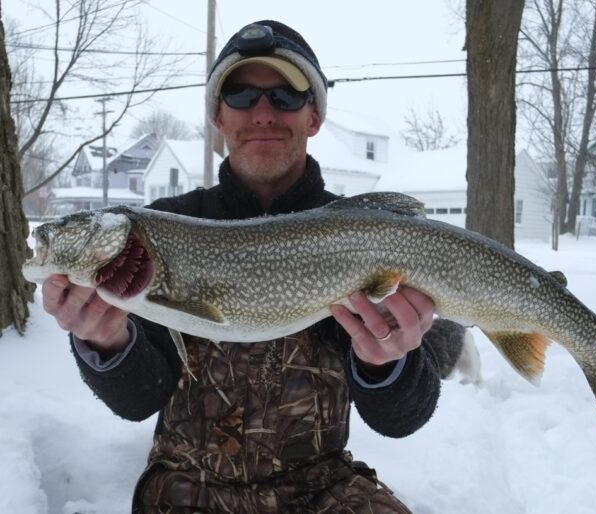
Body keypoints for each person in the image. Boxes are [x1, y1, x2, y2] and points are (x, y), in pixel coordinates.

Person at [41, 20, 466, 513]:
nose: (262, 112)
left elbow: (401, 419)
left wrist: (390, 360)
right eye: (241, 96)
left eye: (285, 95)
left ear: (314, 116)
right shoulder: (159, 233)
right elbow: (138, 399)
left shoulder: (365, 237)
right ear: (219, 118)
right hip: (183, 488)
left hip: (321, 489)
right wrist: (105, 342)